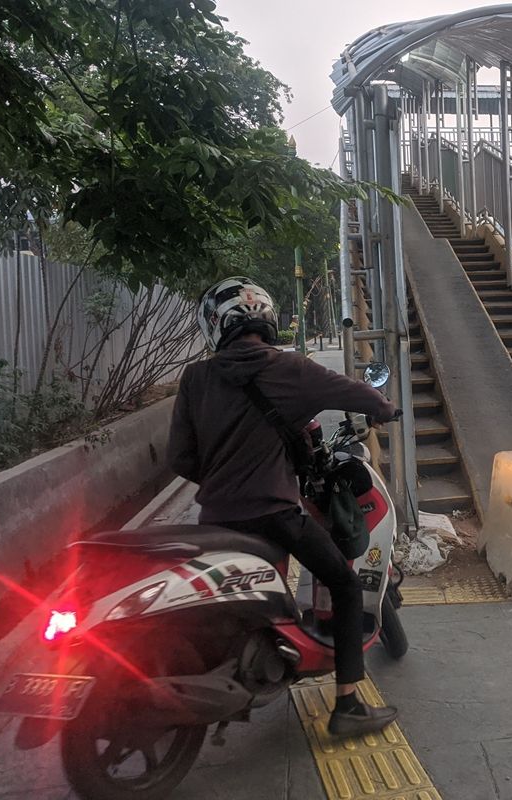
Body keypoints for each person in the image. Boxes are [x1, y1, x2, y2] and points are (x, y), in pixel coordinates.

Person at [167, 276, 399, 737]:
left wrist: (221, 482)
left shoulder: (195, 378)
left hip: (214, 519)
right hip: (274, 514)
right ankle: (349, 705)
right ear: (267, 319)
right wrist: (384, 407)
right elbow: (357, 393)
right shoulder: (288, 368)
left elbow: (180, 458)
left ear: (215, 326)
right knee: (345, 586)